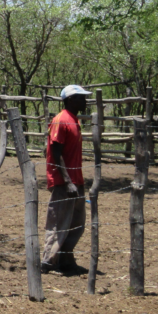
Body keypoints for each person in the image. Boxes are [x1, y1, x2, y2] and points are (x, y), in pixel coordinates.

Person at [41, 84, 90, 274]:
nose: (85, 101)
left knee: (76, 223)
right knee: (59, 222)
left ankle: (66, 259)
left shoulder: (74, 120)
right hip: (64, 181)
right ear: (70, 99)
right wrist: (67, 181)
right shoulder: (61, 120)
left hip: (76, 179)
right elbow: (54, 151)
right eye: (81, 98)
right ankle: (48, 262)